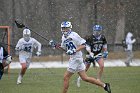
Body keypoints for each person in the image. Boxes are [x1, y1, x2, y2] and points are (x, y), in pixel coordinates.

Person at [59, 21, 111, 93]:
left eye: (66, 28)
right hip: (74, 58)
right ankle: (104, 85)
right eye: (63, 28)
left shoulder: (74, 35)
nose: (64, 30)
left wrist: (74, 50)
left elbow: (84, 44)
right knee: (85, 78)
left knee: (66, 77)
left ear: (70, 28)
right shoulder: (63, 37)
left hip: (76, 59)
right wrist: (55, 45)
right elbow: (64, 48)